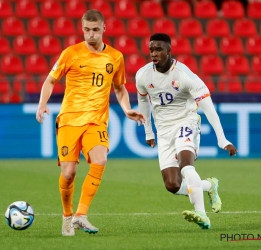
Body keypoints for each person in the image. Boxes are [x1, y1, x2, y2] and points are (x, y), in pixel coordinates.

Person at [36, 9, 145, 236]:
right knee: (69, 173)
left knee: (101, 159)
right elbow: (50, 80)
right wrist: (42, 104)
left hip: (96, 121)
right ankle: (67, 217)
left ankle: (81, 215)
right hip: (69, 119)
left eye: (95, 30)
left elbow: (119, 87)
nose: (91, 35)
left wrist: (126, 109)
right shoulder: (71, 53)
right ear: (82, 29)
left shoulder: (115, 57)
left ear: (104, 29)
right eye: (87, 30)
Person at [136, 33, 238, 230]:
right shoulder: (143, 75)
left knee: (186, 166)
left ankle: (201, 214)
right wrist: (148, 131)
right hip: (163, 131)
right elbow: (143, 101)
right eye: (151, 50)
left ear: (169, 51)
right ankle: (209, 186)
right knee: (172, 185)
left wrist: (222, 138)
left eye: (158, 50)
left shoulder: (184, 75)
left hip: (186, 122)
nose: (154, 54)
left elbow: (208, 107)